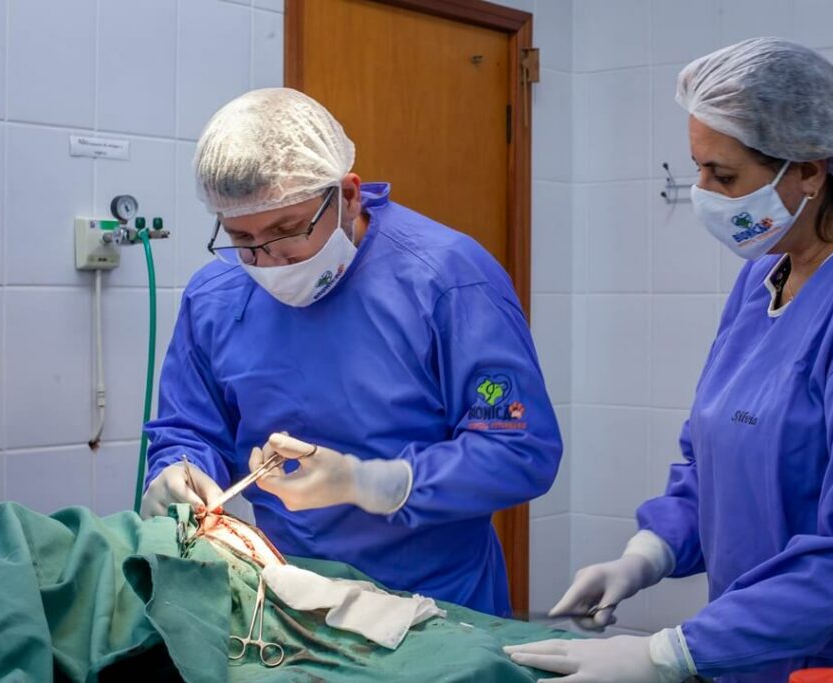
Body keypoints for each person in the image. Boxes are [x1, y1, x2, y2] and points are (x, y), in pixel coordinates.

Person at [506, 37, 833, 682]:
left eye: (723, 176)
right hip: (756, 645)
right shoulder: (766, 277)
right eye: (697, 168)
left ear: (811, 169)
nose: (702, 193)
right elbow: (719, 454)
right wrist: (651, 551)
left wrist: (666, 653)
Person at [140, 88, 562, 617]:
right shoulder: (217, 295)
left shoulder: (447, 281)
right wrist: (177, 471)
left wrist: (372, 483)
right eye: (243, 237)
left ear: (348, 195)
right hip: (287, 599)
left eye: (287, 230)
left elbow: (521, 452)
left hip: (437, 604)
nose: (268, 260)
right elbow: (191, 427)